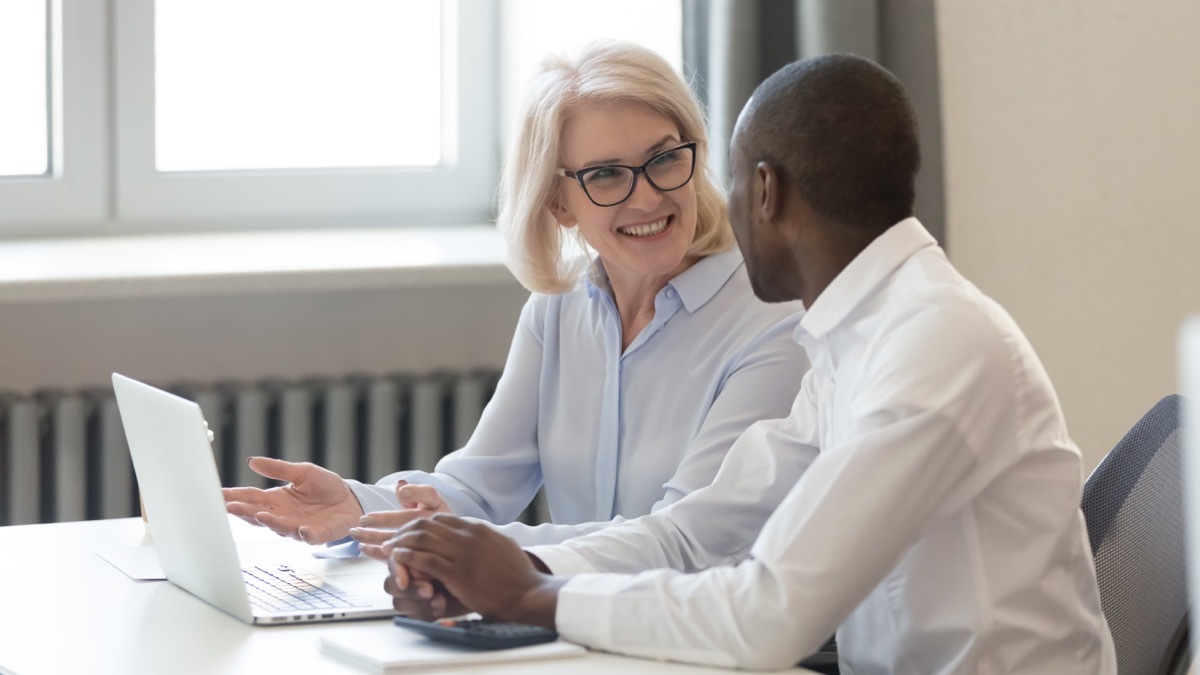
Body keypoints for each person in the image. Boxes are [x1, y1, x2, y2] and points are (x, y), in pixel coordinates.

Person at [378, 54, 1118, 673]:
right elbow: (696, 533)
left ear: (766, 191)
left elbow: (771, 614)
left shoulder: (934, 349)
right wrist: (504, 567)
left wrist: (529, 596)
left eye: (714, 177)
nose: (712, 209)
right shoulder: (855, 338)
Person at [222, 40, 808, 553]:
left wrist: (468, 546)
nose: (648, 198)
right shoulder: (558, 310)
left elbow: (686, 540)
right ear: (558, 201)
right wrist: (360, 506)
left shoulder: (772, 320)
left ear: (695, 153)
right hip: (583, 621)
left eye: (663, 159)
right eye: (606, 174)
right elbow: (478, 487)